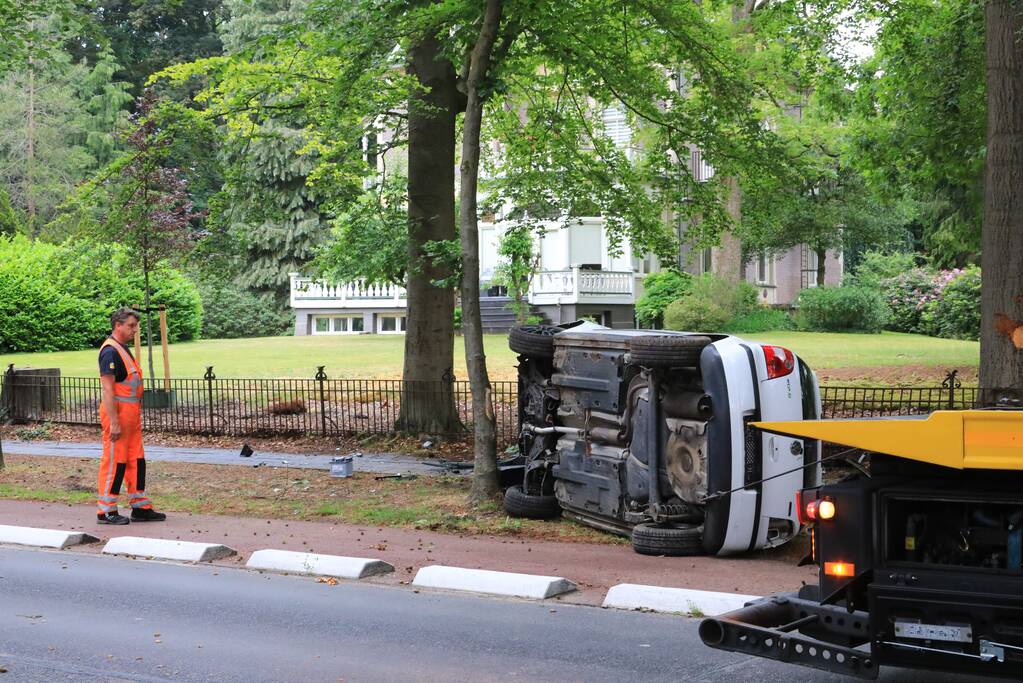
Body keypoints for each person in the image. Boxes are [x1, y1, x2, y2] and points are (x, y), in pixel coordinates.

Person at [97, 308, 166, 525]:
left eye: (135, 326)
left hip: (131, 416)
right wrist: (114, 421)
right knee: (115, 462)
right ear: (118, 325)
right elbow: (107, 390)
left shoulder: (121, 349)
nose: (135, 330)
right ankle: (106, 511)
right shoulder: (110, 351)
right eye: (131, 326)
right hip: (117, 415)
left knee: (136, 460)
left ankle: (140, 507)